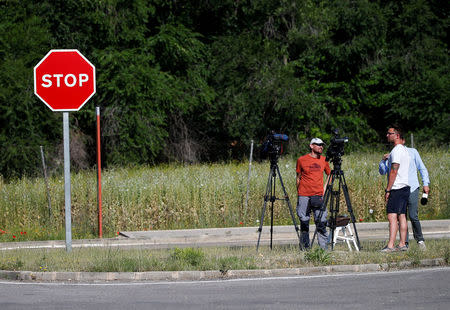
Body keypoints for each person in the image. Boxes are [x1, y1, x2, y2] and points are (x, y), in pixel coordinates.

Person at [379, 138, 430, 250]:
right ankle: (404, 243)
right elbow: (382, 171)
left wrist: (425, 183)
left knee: (412, 215)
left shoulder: (412, 152)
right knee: (401, 215)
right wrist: (383, 160)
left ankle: (420, 240)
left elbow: (422, 168)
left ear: (403, 139)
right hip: (398, 188)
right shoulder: (393, 153)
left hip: (412, 187)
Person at [296, 138, 331, 250]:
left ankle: (323, 249)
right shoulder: (301, 160)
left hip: (318, 195)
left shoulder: (324, 160)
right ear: (311, 146)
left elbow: (330, 174)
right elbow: (298, 177)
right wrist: (300, 193)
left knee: (321, 222)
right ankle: (305, 248)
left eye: (322, 145)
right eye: (319, 145)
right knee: (304, 222)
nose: (321, 147)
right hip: (304, 195)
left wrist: (325, 187)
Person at [381, 126, 410, 252]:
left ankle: (391, 245)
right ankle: (403, 243)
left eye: (390, 133)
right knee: (402, 215)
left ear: (397, 135)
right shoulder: (404, 150)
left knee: (392, 216)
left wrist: (388, 189)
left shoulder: (397, 150)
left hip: (397, 187)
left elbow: (394, 170)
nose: (387, 135)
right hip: (405, 186)